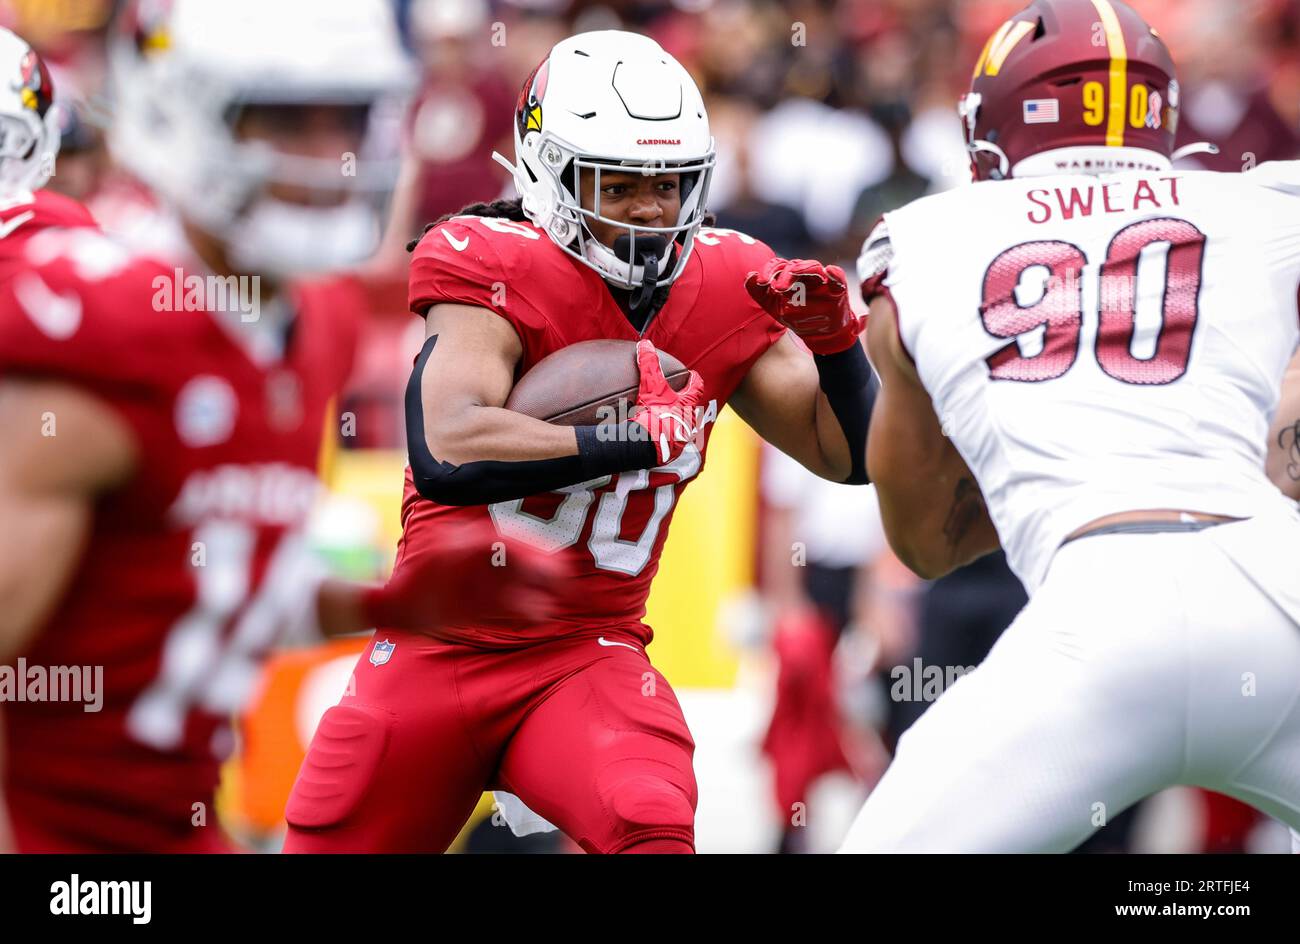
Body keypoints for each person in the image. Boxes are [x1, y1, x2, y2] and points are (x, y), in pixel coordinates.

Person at [283, 30, 876, 854]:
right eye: (617, 182)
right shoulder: (488, 260)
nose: (646, 208)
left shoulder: (729, 281)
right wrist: (629, 439)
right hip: (440, 650)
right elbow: (448, 449)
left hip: (586, 653)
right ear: (546, 172)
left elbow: (848, 458)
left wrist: (840, 351)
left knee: (650, 820)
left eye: (668, 184)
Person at [0, 1, 556, 854]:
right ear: (181, 111)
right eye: (284, 117)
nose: (324, 154)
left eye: (346, 117)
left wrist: (384, 602)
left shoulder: (315, 323)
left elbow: (191, 585)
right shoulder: (108, 338)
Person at [840, 0, 1300, 852]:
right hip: (1277, 586)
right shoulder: (1265, 204)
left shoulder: (923, 239)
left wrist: (1043, 463)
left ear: (996, 123)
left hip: (1097, 613)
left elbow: (924, 544)